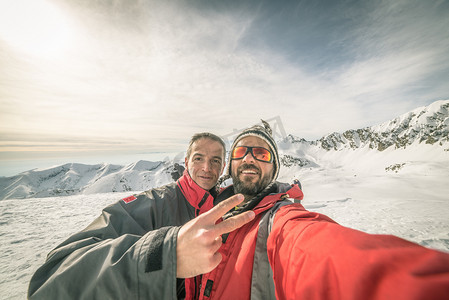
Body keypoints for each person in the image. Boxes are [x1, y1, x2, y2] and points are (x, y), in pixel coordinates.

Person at [184, 120, 449, 300]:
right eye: (242, 151)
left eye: (262, 154)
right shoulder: (207, 209)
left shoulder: (281, 220)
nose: (250, 158)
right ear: (230, 165)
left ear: (274, 168)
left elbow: (321, 252)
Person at [27, 132, 255, 299]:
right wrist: (166, 255)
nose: (207, 167)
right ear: (186, 163)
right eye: (198, 158)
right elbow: (50, 280)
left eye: (215, 161)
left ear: (223, 166)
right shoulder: (153, 204)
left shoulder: (225, 206)